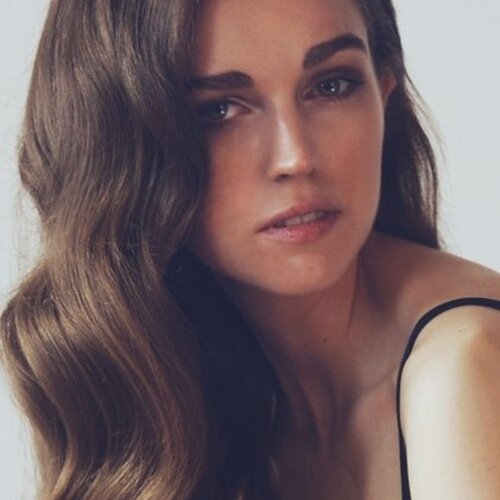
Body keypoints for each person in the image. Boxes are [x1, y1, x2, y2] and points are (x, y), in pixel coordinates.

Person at [1, 0, 499, 498]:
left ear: (384, 93)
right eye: (219, 110)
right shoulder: (192, 392)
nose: (296, 157)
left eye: (331, 85)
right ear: (122, 151)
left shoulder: (465, 369)